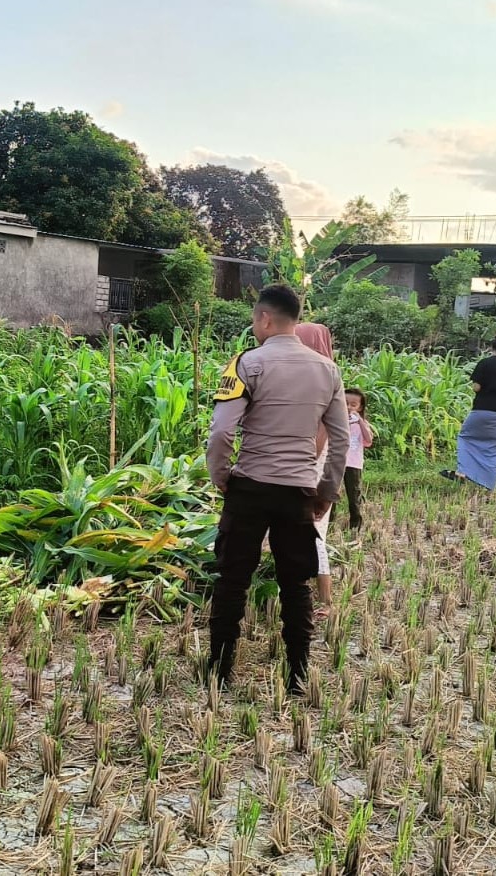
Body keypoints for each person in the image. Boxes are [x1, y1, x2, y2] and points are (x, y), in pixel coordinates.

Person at [207, 285, 348, 694]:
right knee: (295, 584)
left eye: (255, 320)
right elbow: (339, 440)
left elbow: (221, 432)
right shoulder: (328, 370)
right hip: (299, 491)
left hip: (249, 486)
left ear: (265, 319)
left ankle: (219, 672)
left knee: (232, 579)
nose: (255, 327)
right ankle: (297, 676)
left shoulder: (246, 363)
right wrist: (327, 490)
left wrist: (222, 476)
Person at [441, 333, 496, 491]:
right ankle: (489, 486)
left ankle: (462, 472)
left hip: (481, 411)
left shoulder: (485, 363)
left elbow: (476, 387)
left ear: (492, 347)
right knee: (495, 448)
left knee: (466, 438)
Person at [294, 322, 338, 618]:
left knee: (312, 531)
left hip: (308, 464)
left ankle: (324, 602)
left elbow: (320, 434)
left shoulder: (318, 378)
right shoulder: (327, 374)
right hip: (310, 464)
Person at [344, 388, 376, 531]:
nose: (348, 407)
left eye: (353, 404)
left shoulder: (361, 423)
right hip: (336, 462)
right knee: (331, 494)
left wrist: (360, 422)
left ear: (360, 407)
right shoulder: (336, 421)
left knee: (354, 495)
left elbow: (368, 441)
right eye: (345, 403)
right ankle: (329, 523)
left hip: (353, 464)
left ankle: (355, 525)